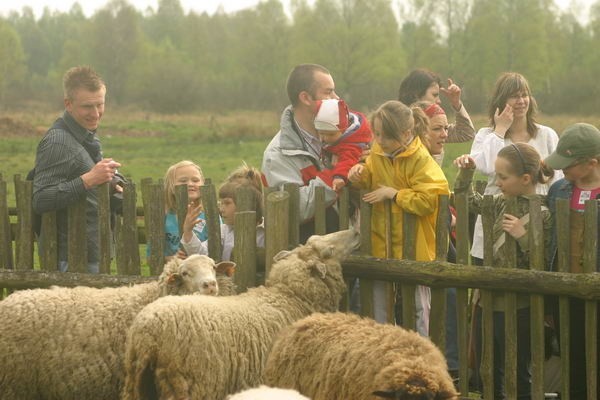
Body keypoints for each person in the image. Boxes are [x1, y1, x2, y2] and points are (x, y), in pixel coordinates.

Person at [454, 143, 555, 400]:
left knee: (519, 372)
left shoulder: (543, 214)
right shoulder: (498, 204)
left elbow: (545, 264)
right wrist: (467, 172)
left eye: (503, 177)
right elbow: (464, 199)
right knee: (489, 371)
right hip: (488, 303)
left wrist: (523, 236)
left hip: (522, 308)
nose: (497, 182)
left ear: (525, 179)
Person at [348, 100, 449, 333]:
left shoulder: (422, 160)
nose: (379, 140)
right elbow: (370, 176)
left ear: (406, 134)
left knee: (417, 308)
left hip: (414, 247)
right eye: (377, 134)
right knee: (379, 308)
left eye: (386, 135)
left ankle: (421, 352)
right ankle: (384, 353)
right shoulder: (379, 152)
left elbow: (431, 200)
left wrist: (395, 195)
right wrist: (359, 174)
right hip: (381, 243)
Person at [32, 66, 121, 273]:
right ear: (68, 104)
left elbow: (83, 176)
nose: (96, 113)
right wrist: (89, 179)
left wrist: (110, 180)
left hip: (90, 253)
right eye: (87, 106)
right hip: (71, 258)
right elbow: (41, 199)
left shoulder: (84, 132)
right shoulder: (58, 142)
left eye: (100, 104)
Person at [469, 72, 563, 265]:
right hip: (494, 227)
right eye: (514, 96)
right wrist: (500, 130)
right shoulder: (486, 135)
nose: (521, 101)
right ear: (501, 100)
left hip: (535, 227)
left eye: (524, 95)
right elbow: (486, 167)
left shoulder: (546, 135)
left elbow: (557, 182)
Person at [545, 123, 600, 399]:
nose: (561, 168)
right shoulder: (558, 190)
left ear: (591, 163)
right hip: (565, 289)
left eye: (568, 163)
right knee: (572, 353)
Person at [261, 64, 340, 244]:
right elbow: (293, 209)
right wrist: (335, 172)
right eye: (328, 93)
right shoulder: (278, 154)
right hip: (310, 256)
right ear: (305, 98)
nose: (336, 98)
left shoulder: (346, 135)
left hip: (353, 249)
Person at [182, 165, 265, 262]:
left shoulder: (265, 232)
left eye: (227, 203)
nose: (221, 209)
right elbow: (202, 256)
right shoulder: (223, 232)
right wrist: (188, 232)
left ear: (247, 202)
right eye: (221, 203)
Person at [398, 68, 475, 163]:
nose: (439, 101)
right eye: (434, 95)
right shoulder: (395, 128)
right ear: (416, 95)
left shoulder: (437, 127)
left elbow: (466, 133)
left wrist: (456, 103)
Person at [313, 98, 373, 191]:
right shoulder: (335, 139)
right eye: (321, 133)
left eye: (331, 134)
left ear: (345, 129)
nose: (325, 138)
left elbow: (347, 160)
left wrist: (339, 177)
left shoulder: (352, 143)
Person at [156, 160, 209, 262]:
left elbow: (218, 248)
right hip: (171, 273)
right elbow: (151, 256)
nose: (190, 184)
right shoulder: (163, 217)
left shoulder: (210, 216)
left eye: (195, 180)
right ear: (171, 187)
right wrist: (171, 258)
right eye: (183, 181)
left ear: (203, 184)